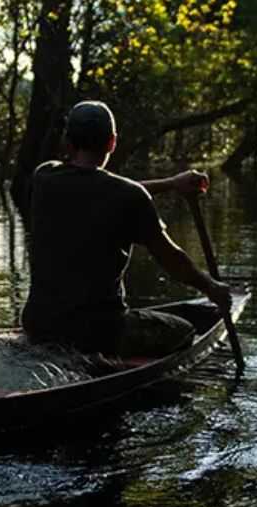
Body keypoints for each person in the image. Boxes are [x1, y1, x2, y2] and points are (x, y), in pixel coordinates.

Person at [20, 100, 233, 358]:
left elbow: (104, 189)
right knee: (184, 331)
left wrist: (171, 184)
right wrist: (212, 288)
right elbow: (173, 261)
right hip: (98, 334)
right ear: (112, 142)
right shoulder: (128, 196)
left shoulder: (44, 177)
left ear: (68, 142)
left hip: (39, 326)